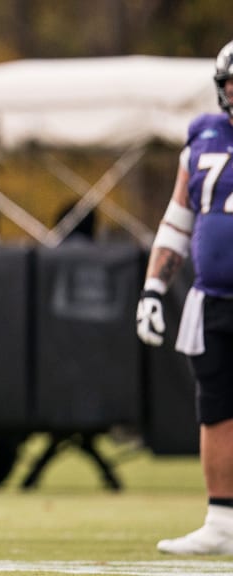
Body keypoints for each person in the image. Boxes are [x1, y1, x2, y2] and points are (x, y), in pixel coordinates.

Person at [137, 39, 233, 555]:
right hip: (214, 296)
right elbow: (177, 222)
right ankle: (221, 522)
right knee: (215, 408)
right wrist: (153, 288)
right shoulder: (203, 142)